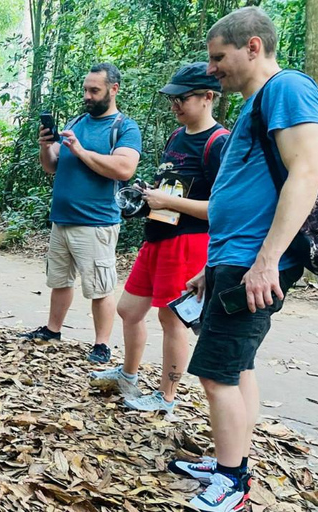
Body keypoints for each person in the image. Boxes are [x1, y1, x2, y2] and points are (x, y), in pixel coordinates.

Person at [167, 8, 318, 511]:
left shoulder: (286, 89)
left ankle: (233, 483)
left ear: (252, 47)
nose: (211, 69)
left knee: (216, 374)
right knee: (239, 367)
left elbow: (306, 172)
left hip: (256, 260)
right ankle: (231, 459)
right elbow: (246, 193)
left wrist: (266, 260)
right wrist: (210, 272)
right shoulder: (256, 105)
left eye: (218, 57)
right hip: (233, 260)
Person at [90, 63, 229, 412]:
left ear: (208, 97)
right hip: (158, 235)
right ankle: (128, 375)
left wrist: (168, 201)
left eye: (182, 98)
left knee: (172, 318)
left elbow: (222, 209)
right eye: (172, 99)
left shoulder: (218, 142)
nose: (175, 105)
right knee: (128, 310)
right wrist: (150, 195)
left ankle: (166, 397)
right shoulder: (176, 136)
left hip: (189, 242)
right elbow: (174, 189)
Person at [21, 63, 142, 363]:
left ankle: (102, 344)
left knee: (99, 286)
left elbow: (124, 168)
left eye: (94, 90)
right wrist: (46, 147)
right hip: (62, 219)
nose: (87, 96)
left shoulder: (124, 128)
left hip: (96, 222)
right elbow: (51, 166)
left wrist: (81, 152)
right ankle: (53, 329)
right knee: (59, 281)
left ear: (113, 90)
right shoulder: (76, 122)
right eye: (86, 90)